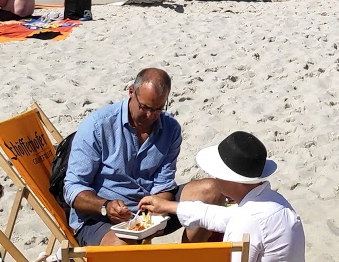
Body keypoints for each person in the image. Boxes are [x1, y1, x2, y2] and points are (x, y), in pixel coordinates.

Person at [63, 68, 225, 246]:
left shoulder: (170, 129)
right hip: (101, 218)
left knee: (213, 191)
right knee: (122, 246)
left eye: (158, 109)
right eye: (145, 107)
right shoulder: (97, 126)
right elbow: (73, 188)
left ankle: (188, 256)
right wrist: (105, 206)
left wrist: (159, 212)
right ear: (131, 92)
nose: (151, 116)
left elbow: (164, 183)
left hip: (150, 211)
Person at [138, 131, 304, 262]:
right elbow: (218, 216)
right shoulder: (275, 201)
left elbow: (240, 227)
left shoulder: (246, 223)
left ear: (230, 179)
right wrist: (167, 206)